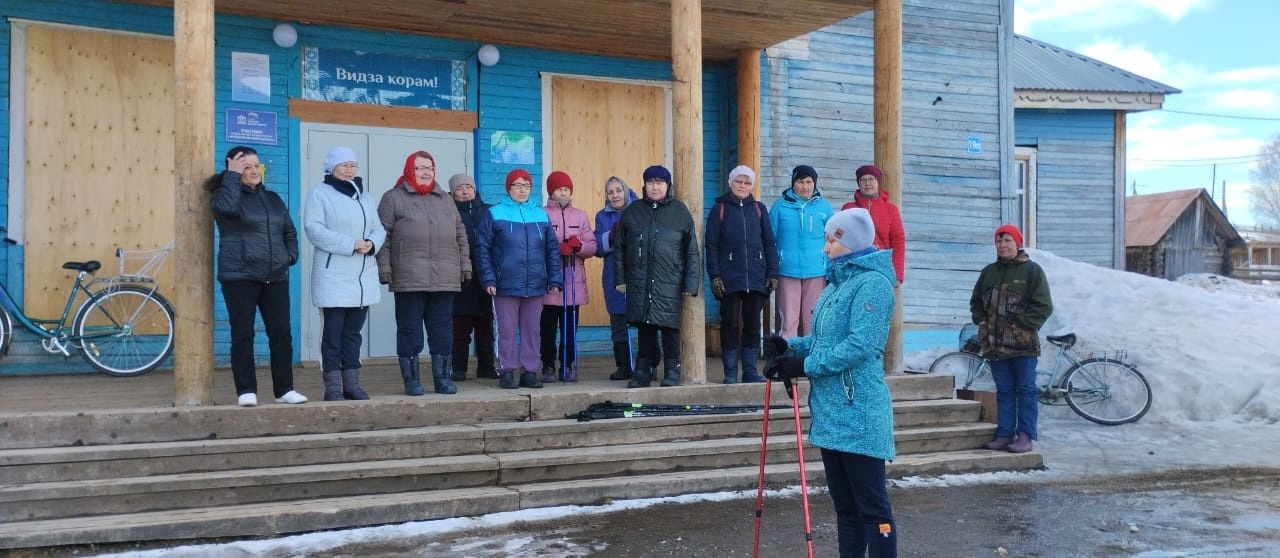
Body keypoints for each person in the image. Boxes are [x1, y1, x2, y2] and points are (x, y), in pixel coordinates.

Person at [762, 207, 899, 557]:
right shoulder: (838, 283)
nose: (824, 248)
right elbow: (824, 340)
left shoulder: (874, 284)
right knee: (845, 508)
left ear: (849, 242)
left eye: (830, 240)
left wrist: (803, 365)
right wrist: (789, 346)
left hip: (860, 410)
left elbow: (860, 346)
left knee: (873, 509)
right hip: (831, 410)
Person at [208, 146, 306, 407]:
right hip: (240, 276)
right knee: (243, 334)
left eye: (256, 166)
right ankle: (246, 391)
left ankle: (284, 389)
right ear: (234, 168)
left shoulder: (273, 198)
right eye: (246, 166)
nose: (253, 171)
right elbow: (227, 210)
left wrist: (290, 256)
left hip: (275, 275)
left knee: (281, 333)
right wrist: (231, 176)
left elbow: (289, 231)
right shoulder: (223, 195)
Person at [376, 150, 470, 396]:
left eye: (429, 167)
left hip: (445, 277)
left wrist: (465, 266)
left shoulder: (445, 199)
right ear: (409, 170)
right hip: (409, 277)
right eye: (419, 168)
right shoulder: (393, 198)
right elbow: (382, 236)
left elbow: (460, 234)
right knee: (410, 330)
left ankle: (442, 378)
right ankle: (412, 380)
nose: (426, 172)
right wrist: (384, 267)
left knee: (442, 330)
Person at [304, 146, 386, 401]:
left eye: (353, 165)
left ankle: (352, 384)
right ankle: (333, 387)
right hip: (334, 277)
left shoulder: (365, 197)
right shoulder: (320, 193)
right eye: (344, 165)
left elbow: (378, 228)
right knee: (332, 335)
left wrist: (372, 243)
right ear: (332, 168)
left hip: (361, 278)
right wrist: (350, 243)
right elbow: (313, 228)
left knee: (353, 335)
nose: (350, 170)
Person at [614, 165, 701, 388]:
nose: (655, 187)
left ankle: (672, 370)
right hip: (640, 280)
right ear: (644, 185)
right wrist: (621, 279)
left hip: (670, 281)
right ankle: (643, 370)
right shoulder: (633, 212)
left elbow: (691, 250)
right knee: (645, 327)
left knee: (670, 327)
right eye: (651, 182)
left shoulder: (679, 212)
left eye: (659, 183)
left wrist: (691, 283)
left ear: (667, 186)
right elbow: (620, 249)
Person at [971, 224, 1053, 454]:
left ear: (1017, 243)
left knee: (1026, 389)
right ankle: (1005, 433)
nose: (1003, 245)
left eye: (1007, 240)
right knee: (1004, 390)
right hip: (995, 345)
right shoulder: (989, 272)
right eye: (999, 241)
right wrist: (982, 322)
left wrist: (1019, 325)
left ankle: (1025, 435)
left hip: (1022, 345)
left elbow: (1043, 305)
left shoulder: (1032, 271)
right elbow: (976, 301)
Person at [476, 169, 562, 389]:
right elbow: (482, 248)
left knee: (532, 330)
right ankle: (506, 370)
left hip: (535, 282)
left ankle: (529, 372)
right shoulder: (495, 213)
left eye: (526, 185)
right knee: (505, 329)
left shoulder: (541, 215)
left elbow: (552, 249)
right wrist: (488, 278)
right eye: (517, 185)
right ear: (509, 188)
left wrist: (554, 276)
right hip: (504, 283)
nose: (522, 190)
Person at [705, 165, 779, 384]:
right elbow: (711, 246)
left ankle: (749, 370)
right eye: (739, 181)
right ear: (731, 183)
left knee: (752, 325)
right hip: (729, 277)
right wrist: (715, 276)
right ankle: (729, 372)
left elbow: (769, 243)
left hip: (756, 276)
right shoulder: (719, 209)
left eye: (747, 182)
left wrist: (772, 272)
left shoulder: (759, 209)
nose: (743, 186)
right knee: (729, 324)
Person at [540, 171, 597, 383]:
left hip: (573, 282)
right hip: (549, 283)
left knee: (570, 330)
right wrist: (556, 248)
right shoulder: (542, 213)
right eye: (559, 189)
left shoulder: (580, 215)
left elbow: (592, 246)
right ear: (551, 191)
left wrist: (579, 246)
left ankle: (568, 364)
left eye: (566, 189)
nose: (563, 192)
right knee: (546, 329)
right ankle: (548, 365)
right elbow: (537, 244)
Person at [770, 165, 833, 339]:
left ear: (814, 184)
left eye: (809, 182)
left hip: (816, 270)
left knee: (812, 318)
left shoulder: (824, 207)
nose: (805, 186)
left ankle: (810, 360)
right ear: (793, 183)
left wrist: (829, 264)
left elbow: (833, 238)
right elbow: (769, 237)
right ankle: (786, 358)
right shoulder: (780, 206)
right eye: (800, 182)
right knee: (789, 319)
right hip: (787, 270)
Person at [449, 173, 498, 383]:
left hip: (485, 276)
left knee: (486, 325)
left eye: (469, 186)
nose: (465, 190)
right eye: (460, 188)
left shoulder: (489, 211)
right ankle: (459, 368)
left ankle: (486, 367)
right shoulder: (449, 212)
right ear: (452, 192)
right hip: (461, 277)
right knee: (460, 326)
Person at [594, 176, 638, 381]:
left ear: (626, 190)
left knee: (645, 320)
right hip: (614, 274)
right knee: (619, 322)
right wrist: (609, 238)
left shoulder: (640, 209)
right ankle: (623, 366)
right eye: (610, 192)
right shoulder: (602, 216)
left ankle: (647, 364)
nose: (615, 195)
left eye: (618, 190)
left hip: (639, 273)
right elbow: (598, 247)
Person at [842, 165, 906, 285]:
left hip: (881, 269)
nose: (867, 183)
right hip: (855, 269)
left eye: (871, 179)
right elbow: (838, 236)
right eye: (863, 180)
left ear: (878, 182)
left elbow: (898, 242)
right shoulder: (848, 208)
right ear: (858, 183)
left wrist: (897, 275)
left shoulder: (890, 210)